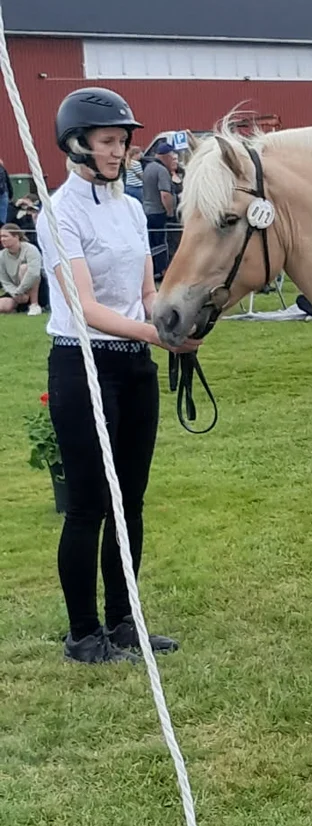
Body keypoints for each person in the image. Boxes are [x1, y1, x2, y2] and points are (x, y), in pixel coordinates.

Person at [35, 87, 197, 664]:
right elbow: (83, 306)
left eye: (122, 141)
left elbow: (146, 291)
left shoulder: (131, 207)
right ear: (77, 145)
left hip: (133, 366)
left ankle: (124, 621)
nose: (119, 150)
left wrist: (172, 326)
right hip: (83, 364)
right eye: (108, 141)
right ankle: (83, 634)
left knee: (130, 500)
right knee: (88, 503)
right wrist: (159, 334)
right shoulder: (59, 212)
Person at [142, 144, 179, 281]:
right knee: (162, 243)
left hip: (147, 211)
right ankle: (161, 272)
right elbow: (165, 194)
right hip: (158, 212)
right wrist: (170, 212)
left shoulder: (148, 168)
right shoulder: (161, 170)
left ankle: (153, 271)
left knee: (152, 244)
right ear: (167, 156)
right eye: (172, 157)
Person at [0, 224, 43, 314]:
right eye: (1, 236)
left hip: (37, 289)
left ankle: (34, 305)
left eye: (5, 236)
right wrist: (15, 293)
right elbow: (4, 280)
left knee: (24, 268)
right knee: (3, 306)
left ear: (16, 237)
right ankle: (18, 307)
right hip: (16, 292)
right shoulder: (1, 255)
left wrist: (21, 290)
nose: (2, 239)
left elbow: (34, 273)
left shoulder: (30, 249)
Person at [0, 156, 12, 225]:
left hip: (2, 194)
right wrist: (10, 194)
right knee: (2, 218)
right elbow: (8, 182)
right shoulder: (2, 169)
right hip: (3, 193)